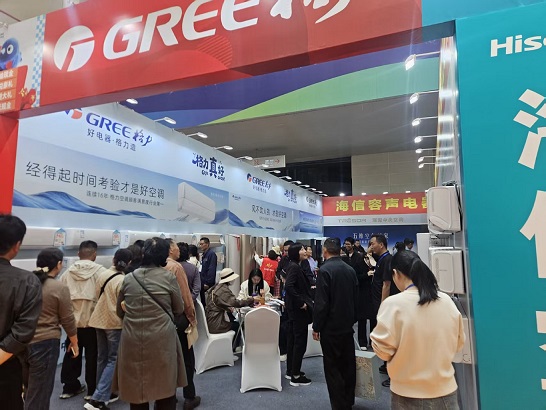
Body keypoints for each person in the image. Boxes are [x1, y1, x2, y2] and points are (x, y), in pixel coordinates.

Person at [371, 251, 465, 409]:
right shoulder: (446, 300)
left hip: (407, 394)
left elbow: (382, 351)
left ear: (396, 274)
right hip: (446, 392)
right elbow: (459, 344)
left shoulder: (393, 304)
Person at [114, 237, 186, 410]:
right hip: (162, 338)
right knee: (165, 387)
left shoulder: (129, 278)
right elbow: (179, 308)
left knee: (136, 388)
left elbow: (119, 311)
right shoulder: (168, 277)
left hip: (132, 338)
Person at [23, 248, 77, 410]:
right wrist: (74, 341)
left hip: (20, 341)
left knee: (28, 389)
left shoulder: (24, 282)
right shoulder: (58, 287)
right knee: (40, 393)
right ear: (59, 264)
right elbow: (68, 319)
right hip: (45, 343)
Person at [313, 237, 358, 410]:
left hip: (330, 328)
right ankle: (348, 400)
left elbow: (321, 303)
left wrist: (317, 326)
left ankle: (339, 405)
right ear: (339, 250)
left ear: (325, 251)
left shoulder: (325, 270)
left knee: (332, 367)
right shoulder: (350, 270)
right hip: (347, 326)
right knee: (348, 365)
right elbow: (355, 298)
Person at [60, 240, 108, 400]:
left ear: (78, 254)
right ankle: (91, 390)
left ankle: (69, 387)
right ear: (95, 255)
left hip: (72, 324)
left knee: (72, 353)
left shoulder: (67, 273)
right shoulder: (102, 272)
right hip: (93, 322)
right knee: (93, 356)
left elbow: (62, 298)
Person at [85, 248, 132, 410]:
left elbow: (97, 295)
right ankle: (99, 398)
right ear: (129, 263)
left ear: (114, 259)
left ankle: (101, 392)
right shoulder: (124, 280)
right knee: (113, 360)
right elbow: (124, 305)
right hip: (114, 322)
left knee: (102, 358)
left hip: (99, 319)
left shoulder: (102, 274)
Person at [165, 239, 200, 410]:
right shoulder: (176, 268)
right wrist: (192, 318)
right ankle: (189, 396)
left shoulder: (148, 269)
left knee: (167, 360)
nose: (178, 249)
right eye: (175, 246)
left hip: (162, 321)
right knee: (187, 358)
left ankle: (168, 397)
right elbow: (186, 298)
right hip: (179, 319)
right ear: (170, 250)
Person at [369, 234, 399, 383]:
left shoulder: (387, 260)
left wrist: (383, 306)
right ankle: (386, 364)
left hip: (384, 306)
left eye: (373, 244)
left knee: (389, 338)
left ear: (381, 244)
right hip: (378, 303)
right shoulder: (381, 259)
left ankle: (392, 372)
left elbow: (386, 284)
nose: (371, 246)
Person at [284, 242, 313, 387]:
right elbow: (289, 286)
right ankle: (295, 375)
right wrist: (301, 302)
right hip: (297, 310)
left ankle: (291, 370)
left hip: (293, 310)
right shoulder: (295, 267)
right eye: (302, 249)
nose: (305, 251)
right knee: (299, 342)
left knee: (293, 341)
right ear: (296, 253)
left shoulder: (294, 266)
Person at [205, 268, 254, 336]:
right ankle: (235, 343)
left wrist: (227, 307)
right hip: (217, 324)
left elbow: (218, 303)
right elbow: (237, 303)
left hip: (211, 321)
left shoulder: (216, 287)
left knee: (234, 321)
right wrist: (251, 300)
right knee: (239, 325)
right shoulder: (222, 290)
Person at [341, 237, 368, 349]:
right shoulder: (343, 257)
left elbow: (363, 273)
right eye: (345, 244)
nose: (346, 246)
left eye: (348, 244)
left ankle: (362, 342)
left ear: (353, 245)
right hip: (346, 290)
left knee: (361, 317)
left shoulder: (359, 257)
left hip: (359, 289)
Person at [199, 237, 217, 306]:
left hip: (208, 284)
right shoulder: (204, 255)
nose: (200, 246)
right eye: (200, 244)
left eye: (202, 244)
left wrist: (208, 283)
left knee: (208, 303)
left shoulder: (211, 254)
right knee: (203, 302)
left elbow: (211, 269)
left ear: (207, 244)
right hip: (203, 283)